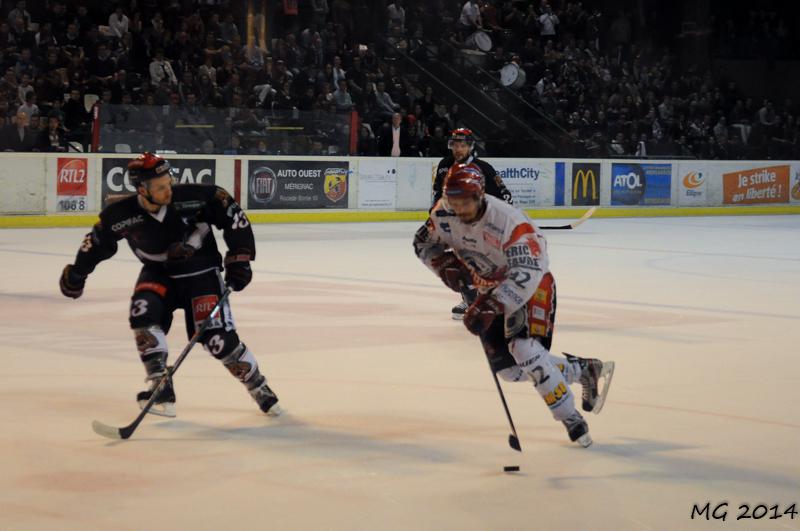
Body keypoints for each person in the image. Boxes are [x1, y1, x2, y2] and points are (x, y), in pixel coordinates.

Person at [58, 152, 282, 418]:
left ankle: (259, 387)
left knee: (217, 339)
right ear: (142, 189)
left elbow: (232, 215)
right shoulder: (120, 214)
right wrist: (77, 274)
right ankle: (160, 387)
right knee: (143, 315)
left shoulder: (196, 197)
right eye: (160, 186)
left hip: (201, 275)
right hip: (159, 274)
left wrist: (240, 258)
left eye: (169, 181)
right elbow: (96, 243)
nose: (168, 189)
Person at [414, 163, 615, 447]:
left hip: (531, 284)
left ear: (480, 195)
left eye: (465, 202)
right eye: (453, 201)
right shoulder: (442, 213)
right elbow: (422, 244)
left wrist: (492, 305)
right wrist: (442, 264)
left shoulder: (508, 221)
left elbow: (530, 270)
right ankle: (582, 370)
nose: (459, 208)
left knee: (524, 349)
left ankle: (571, 419)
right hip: (489, 288)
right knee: (509, 370)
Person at [432, 128, 512, 319]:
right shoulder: (445, 165)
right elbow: (437, 195)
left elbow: (505, 196)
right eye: (455, 145)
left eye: (462, 145)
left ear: (470, 147)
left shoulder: (484, 168)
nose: (458, 149)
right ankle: (470, 300)